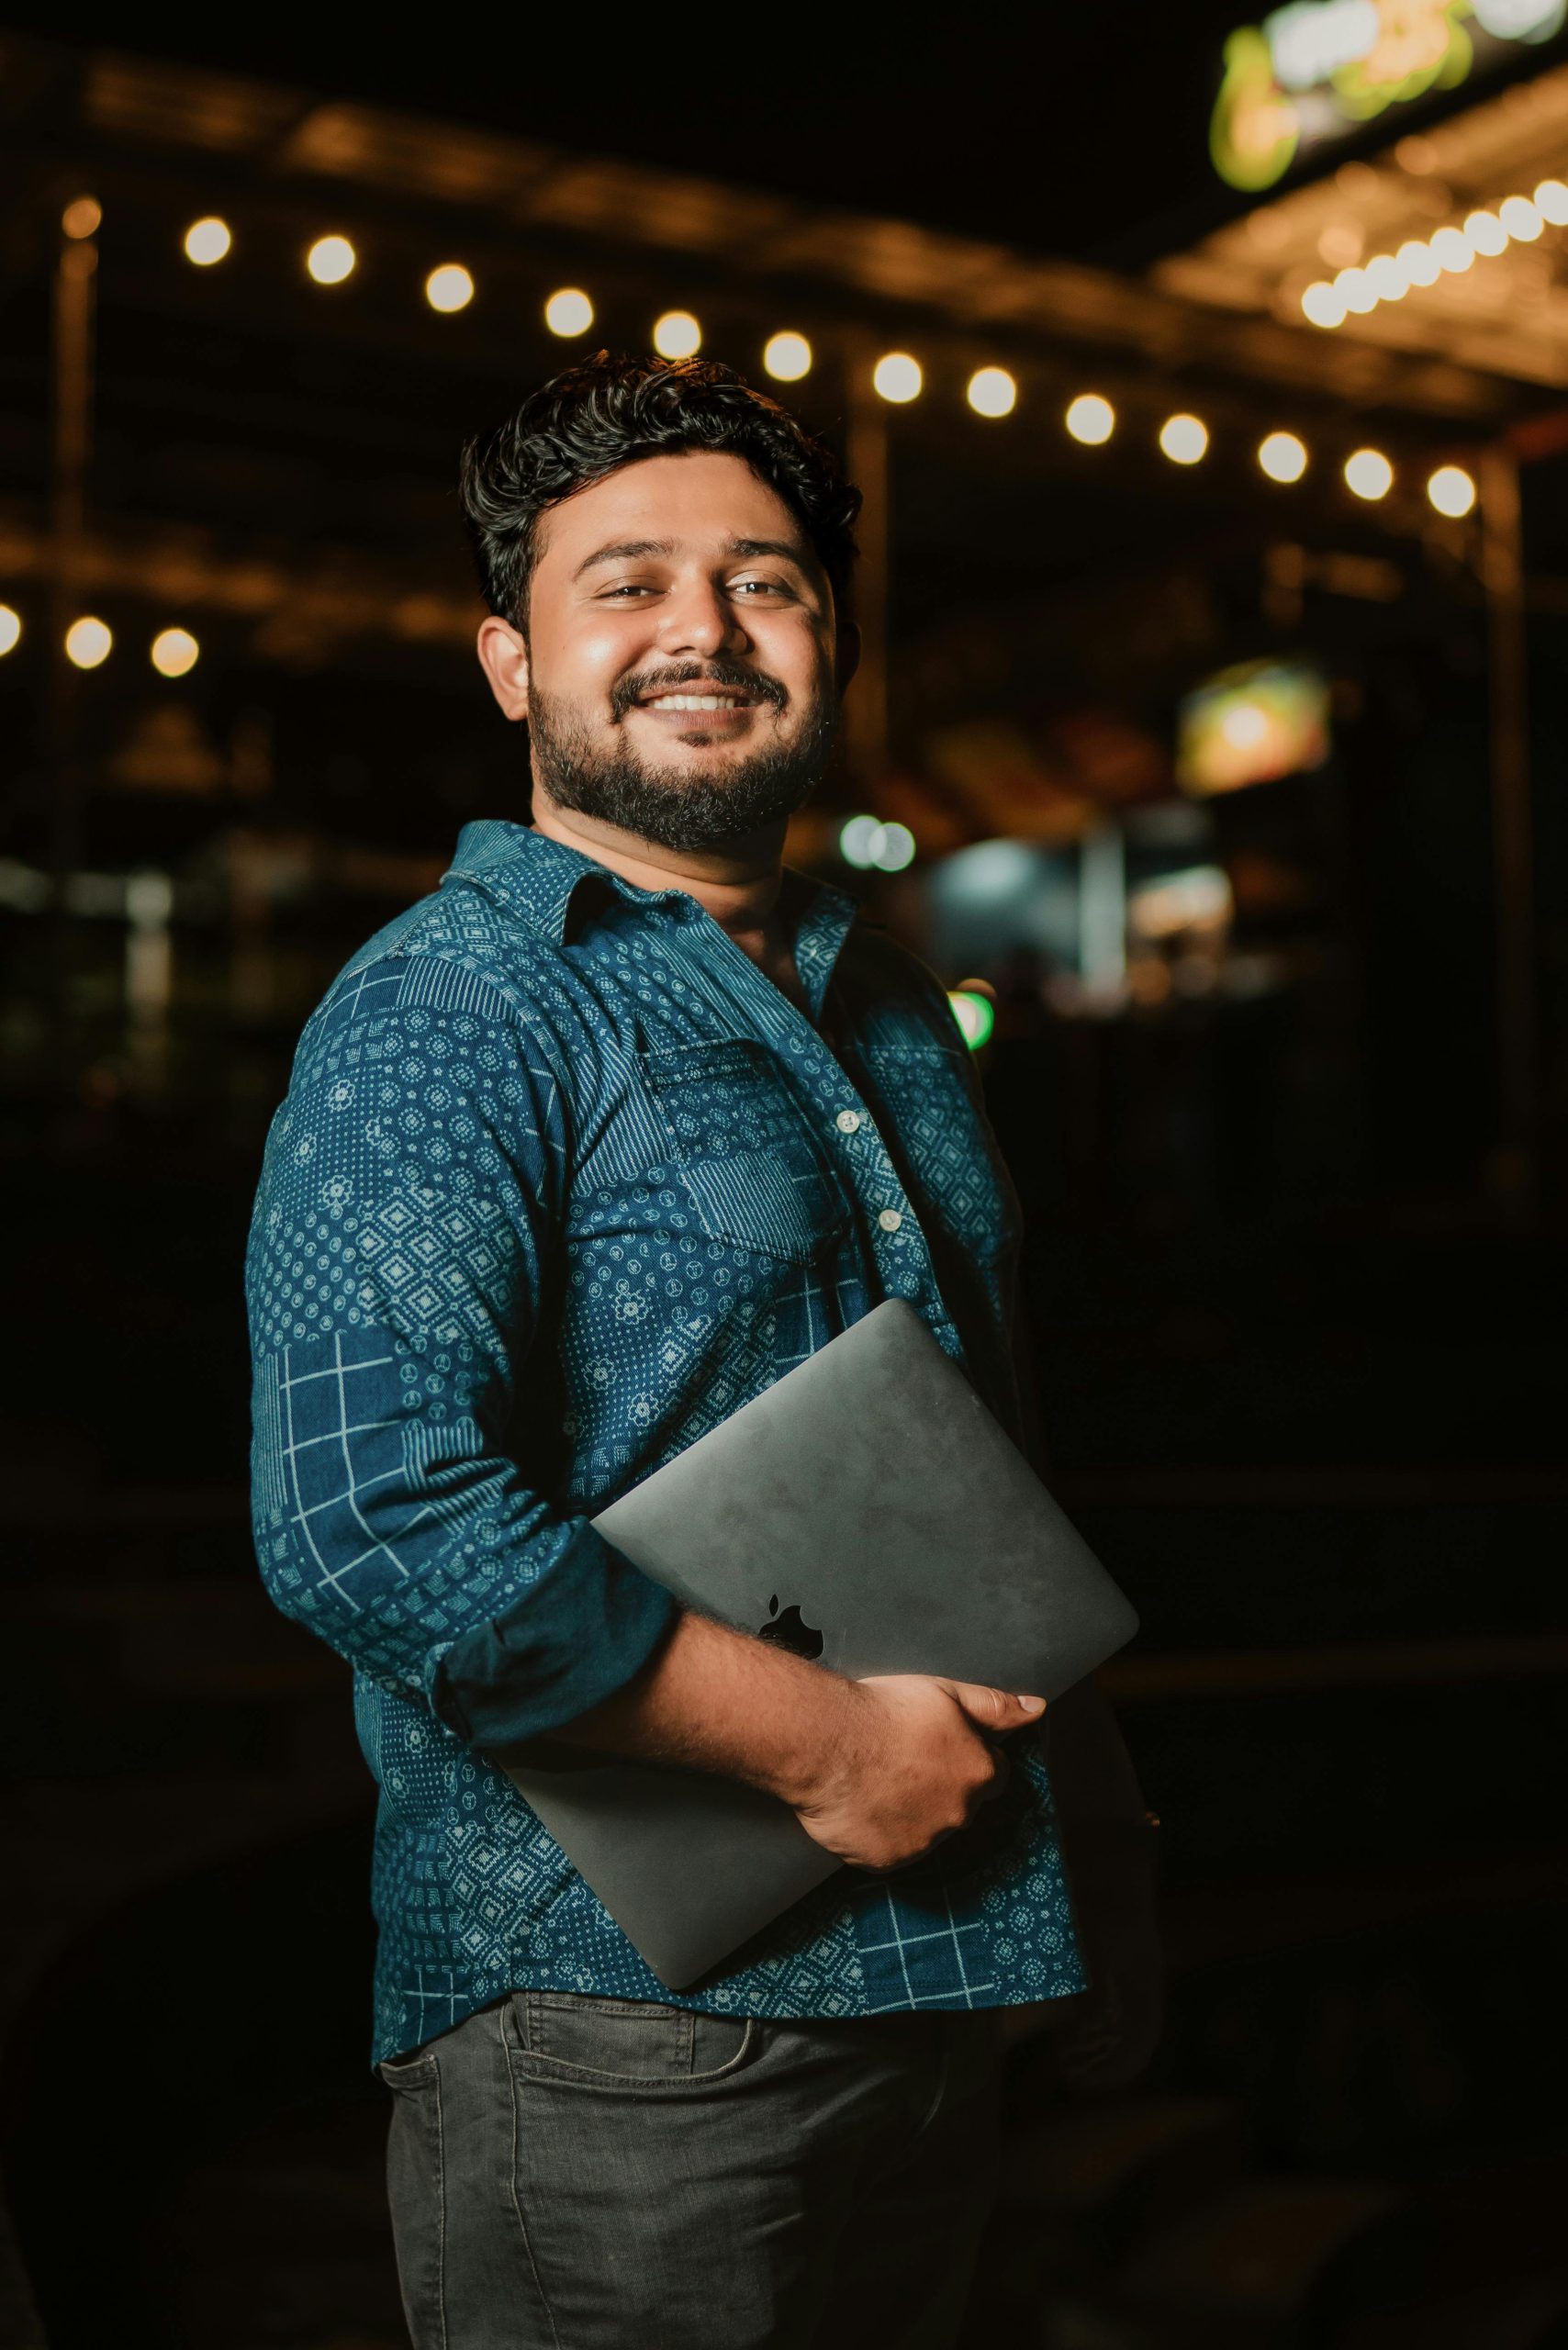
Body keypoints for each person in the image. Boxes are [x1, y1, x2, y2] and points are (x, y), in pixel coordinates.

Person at [245, 353, 1159, 2350]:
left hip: (944, 1976)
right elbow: (364, 1518)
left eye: (762, 583)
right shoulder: (449, 1011)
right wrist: (827, 1747)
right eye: (626, 582)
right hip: (620, 2043)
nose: (701, 630)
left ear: (823, 639)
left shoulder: (891, 1001)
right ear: (512, 664)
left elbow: (975, 1458)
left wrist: (1088, 1835)